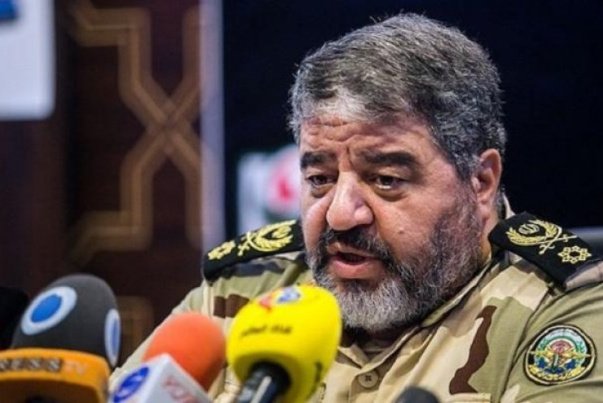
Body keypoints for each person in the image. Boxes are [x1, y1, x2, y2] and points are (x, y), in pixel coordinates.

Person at [112, 13, 603, 402]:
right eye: (320, 179)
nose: (340, 215)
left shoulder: (565, 309)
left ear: (480, 181)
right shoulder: (243, 291)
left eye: (386, 180)